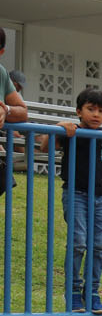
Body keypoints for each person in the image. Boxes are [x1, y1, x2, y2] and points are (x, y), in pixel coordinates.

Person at [37, 88, 102, 314]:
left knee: (98, 245)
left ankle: (92, 292)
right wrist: (58, 127)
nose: (96, 114)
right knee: (78, 242)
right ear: (79, 111)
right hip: (75, 193)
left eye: (101, 111)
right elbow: (45, 146)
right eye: (90, 109)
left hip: (98, 196)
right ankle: (73, 292)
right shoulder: (71, 131)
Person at [1, 28, 33, 198]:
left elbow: (22, 112)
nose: (18, 89)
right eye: (17, 86)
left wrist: (6, 109)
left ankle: (20, 162)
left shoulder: (1, 74)